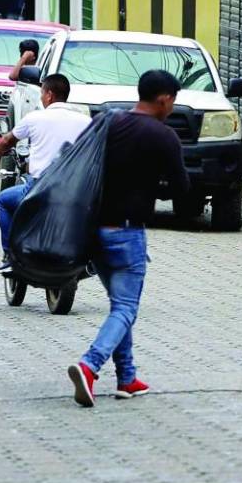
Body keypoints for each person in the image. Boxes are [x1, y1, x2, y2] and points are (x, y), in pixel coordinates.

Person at [67, 69, 192, 408]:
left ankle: (127, 378)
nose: (172, 107)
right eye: (173, 101)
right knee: (125, 308)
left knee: (119, 307)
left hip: (94, 230)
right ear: (164, 99)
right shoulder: (164, 137)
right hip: (127, 233)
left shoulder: (109, 123)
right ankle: (90, 366)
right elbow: (182, 192)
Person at [0, 74, 90, 269]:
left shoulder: (35, 117)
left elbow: (7, 141)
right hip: (75, 190)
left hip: (41, 189)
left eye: (42, 93)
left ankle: (10, 256)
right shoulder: (85, 121)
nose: (41, 97)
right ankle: (91, 258)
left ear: (49, 95)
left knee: (3, 201)